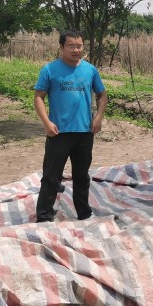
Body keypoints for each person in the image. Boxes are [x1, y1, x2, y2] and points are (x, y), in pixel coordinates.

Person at [34, 30, 107, 223]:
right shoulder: (49, 70)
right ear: (61, 47)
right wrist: (46, 122)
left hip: (84, 132)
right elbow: (39, 97)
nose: (76, 50)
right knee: (51, 176)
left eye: (79, 46)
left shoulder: (90, 70)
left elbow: (102, 95)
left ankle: (84, 213)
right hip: (58, 132)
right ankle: (44, 216)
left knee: (82, 176)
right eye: (71, 46)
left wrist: (98, 117)